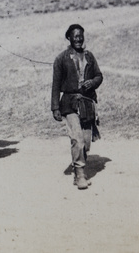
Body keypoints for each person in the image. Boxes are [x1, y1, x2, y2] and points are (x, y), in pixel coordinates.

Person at [51, 24, 103, 190]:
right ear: (69, 38)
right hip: (70, 104)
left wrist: (93, 82)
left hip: (87, 104)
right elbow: (55, 84)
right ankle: (79, 174)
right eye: (75, 36)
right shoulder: (61, 59)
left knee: (86, 142)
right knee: (77, 140)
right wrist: (55, 108)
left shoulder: (89, 56)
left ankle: (78, 164)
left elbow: (99, 75)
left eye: (81, 36)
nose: (79, 39)